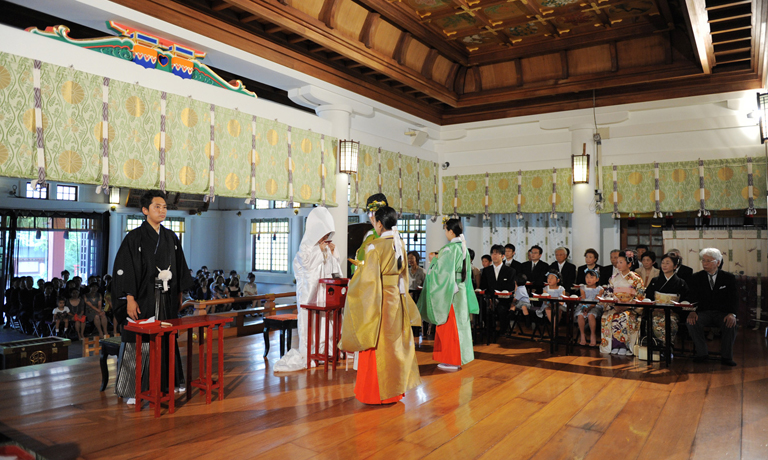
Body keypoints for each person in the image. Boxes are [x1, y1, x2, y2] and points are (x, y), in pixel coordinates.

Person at [112, 190, 194, 405]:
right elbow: (125, 269)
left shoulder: (171, 237)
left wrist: (179, 294)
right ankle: (133, 390)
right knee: (138, 343)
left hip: (166, 298)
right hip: (142, 297)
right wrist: (129, 298)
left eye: (165, 207)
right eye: (157, 206)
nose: (162, 210)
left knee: (167, 337)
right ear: (145, 210)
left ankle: (168, 383)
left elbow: (179, 268)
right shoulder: (134, 237)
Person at [340, 206, 422, 404]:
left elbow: (369, 282)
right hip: (397, 298)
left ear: (378, 223)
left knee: (375, 343)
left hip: (381, 300)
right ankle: (394, 392)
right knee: (394, 347)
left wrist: (355, 281)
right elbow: (403, 275)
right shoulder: (399, 243)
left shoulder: (375, 246)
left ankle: (375, 394)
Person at [274, 207, 341, 373]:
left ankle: (325, 351)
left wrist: (332, 253)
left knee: (326, 323)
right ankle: (310, 354)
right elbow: (306, 265)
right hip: (309, 295)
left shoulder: (325, 246)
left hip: (324, 294)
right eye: (324, 233)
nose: (326, 238)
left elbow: (335, 269)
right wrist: (320, 250)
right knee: (309, 325)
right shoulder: (306, 246)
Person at [418, 218, 478, 370]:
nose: (445, 233)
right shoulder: (463, 247)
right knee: (460, 326)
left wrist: (433, 261)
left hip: (451, 292)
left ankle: (451, 359)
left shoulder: (450, 249)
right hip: (461, 290)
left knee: (449, 327)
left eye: (445, 230)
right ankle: (457, 359)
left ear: (451, 231)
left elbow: (442, 273)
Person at [686, 248, 738, 366]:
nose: (705, 263)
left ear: (718, 263)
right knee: (691, 322)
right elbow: (691, 297)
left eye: (708, 261)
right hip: (703, 312)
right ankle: (702, 353)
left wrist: (732, 313)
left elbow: (734, 298)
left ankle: (726, 357)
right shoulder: (696, 277)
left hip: (722, 313)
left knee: (731, 323)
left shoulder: (728, 278)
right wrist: (692, 311)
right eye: (703, 260)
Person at [600, 251, 644, 355]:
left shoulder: (636, 279)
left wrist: (627, 306)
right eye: (617, 262)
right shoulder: (613, 278)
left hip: (630, 308)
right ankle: (613, 346)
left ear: (629, 264)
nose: (618, 264)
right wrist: (614, 305)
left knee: (624, 317)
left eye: (621, 262)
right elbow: (608, 293)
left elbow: (640, 296)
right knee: (608, 317)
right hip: (615, 307)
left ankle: (626, 347)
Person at [646, 253, 689, 346]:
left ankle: (666, 346)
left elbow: (685, 300)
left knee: (669, 322)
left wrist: (672, 309)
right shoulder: (655, 281)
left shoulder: (681, 283)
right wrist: (654, 307)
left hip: (672, 313)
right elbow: (648, 297)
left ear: (675, 266)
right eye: (663, 263)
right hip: (656, 312)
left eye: (667, 263)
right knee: (654, 321)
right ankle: (657, 346)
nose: (664, 265)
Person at [480, 244, 516, 336]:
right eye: (492, 253)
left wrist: (498, 298)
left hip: (504, 299)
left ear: (502, 256)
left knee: (501, 308)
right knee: (482, 306)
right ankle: (488, 329)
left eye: (497, 254)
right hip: (490, 298)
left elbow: (510, 288)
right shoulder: (486, 270)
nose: (494, 256)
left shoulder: (510, 271)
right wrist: (490, 298)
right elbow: (483, 286)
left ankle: (503, 330)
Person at [350, 193, 389, 276]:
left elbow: (361, 264)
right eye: (370, 214)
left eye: (372, 214)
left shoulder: (371, 235)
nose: (371, 218)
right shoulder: (397, 236)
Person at [576, 269, 603, 347]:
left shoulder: (600, 289)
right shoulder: (582, 288)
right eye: (587, 277)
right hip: (584, 305)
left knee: (591, 315)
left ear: (597, 279)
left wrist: (589, 309)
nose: (588, 279)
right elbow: (583, 298)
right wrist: (585, 307)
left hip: (595, 306)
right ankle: (582, 335)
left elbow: (595, 301)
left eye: (591, 277)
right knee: (580, 315)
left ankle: (593, 335)